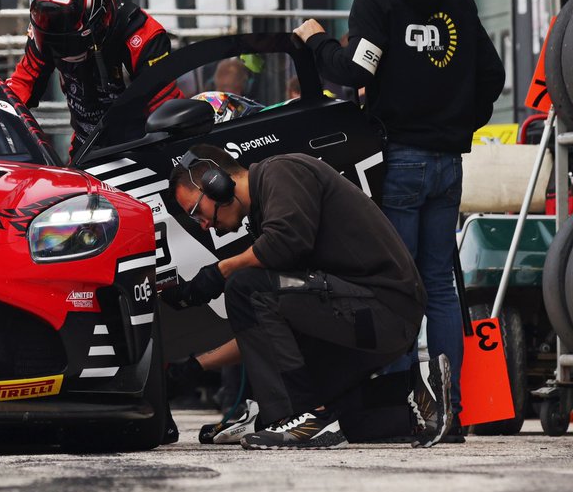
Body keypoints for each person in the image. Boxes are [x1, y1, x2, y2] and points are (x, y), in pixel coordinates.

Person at [293, 0, 506, 434]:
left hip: (403, 160)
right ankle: (450, 410)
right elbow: (493, 76)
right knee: (439, 283)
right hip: (448, 163)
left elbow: (356, 72)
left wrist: (317, 44)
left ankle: (406, 412)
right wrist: (459, 122)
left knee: (395, 285)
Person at [164, 144, 449, 450]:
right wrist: (196, 366)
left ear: (216, 184)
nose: (204, 225)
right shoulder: (268, 211)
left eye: (196, 212)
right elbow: (262, 333)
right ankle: (415, 394)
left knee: (245, 286)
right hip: (371, 316)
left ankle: (296, 419)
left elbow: (283, 245)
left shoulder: (283, 173)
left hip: (382, 310)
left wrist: (221, 271)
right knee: (322, 404)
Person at [7, 0, 184, 156]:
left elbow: (167, 113)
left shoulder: (142, 35)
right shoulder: (45, 28)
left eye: (70, 40)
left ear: (103, 15)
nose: (63, 51)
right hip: (88, 147)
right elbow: (20, 87)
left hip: (143, 148)